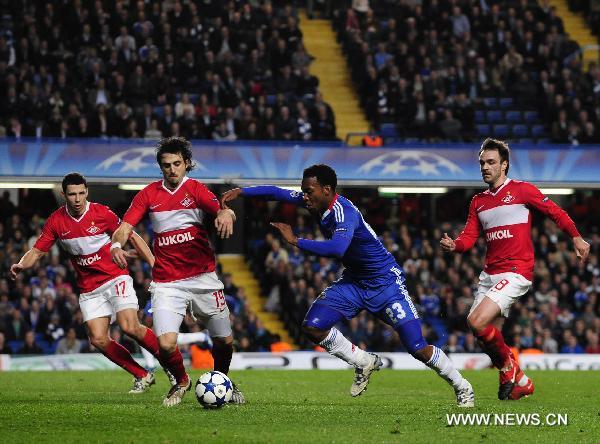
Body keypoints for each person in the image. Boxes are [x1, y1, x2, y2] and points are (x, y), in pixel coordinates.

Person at [222, 164, 475, 407]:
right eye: (303, 191)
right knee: (313, 327)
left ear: (327, 190)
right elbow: (277, 193)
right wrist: (243, 191)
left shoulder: (345, 212)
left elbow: (337, 248)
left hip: (385, 283)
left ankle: (462, 386)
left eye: (309, 191)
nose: (304, 196)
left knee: (417, 347)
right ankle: (363, 361)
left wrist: (295, 241)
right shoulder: (315, 200)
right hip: (354, 282)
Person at [440, 138, 590, 400]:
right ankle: (521, 381)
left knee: (475, 321)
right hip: (489, 274)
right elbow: (469, 237)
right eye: (482, 163)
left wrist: (576, 237)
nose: (485, 167)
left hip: (516, 270)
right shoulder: (478, 201)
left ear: (504, 164)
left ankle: (508, 368)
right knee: (483, 333)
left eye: (491, 162)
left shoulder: (522, 191)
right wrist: (455, 245)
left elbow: (555, 212)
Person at [110, 136, 243, 407]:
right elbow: (125, 227)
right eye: (166, 165)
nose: (172, 169)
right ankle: (181, 381)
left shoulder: (195, 189)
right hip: (167, 281)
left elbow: (221, 210)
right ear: (160, 167)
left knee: (225, 341)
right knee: (167, 343)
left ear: (187, 164)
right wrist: (115, 243)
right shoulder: (148, 194)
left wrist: (226, 214)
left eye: (177, 164)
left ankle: (222, 380)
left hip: (203, 278)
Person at [10, 173, 165, 394]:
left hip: (114, 276)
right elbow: (37, 251)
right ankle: (142, 374)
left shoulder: (102, 213)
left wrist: (152, 262)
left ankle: (170, 362)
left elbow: (131, 235)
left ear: (87, 192)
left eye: (81, 193)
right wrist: (21, 264)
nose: (77, 199)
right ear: (63, 195)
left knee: (129, 326)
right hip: (89, 288)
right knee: (99, 339)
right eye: (72, 194)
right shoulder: (56, 221)